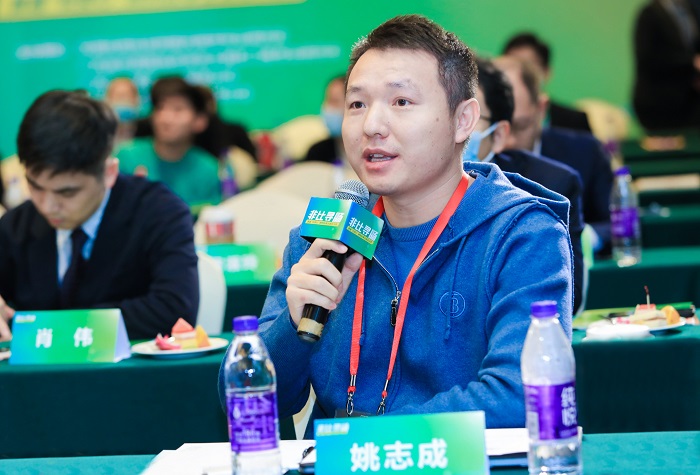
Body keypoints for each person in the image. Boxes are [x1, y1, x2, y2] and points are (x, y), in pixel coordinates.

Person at [218, 15, 573, 435]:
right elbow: (242, 399)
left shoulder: (522, 235)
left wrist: (370, 437)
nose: (371, 126)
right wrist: (290, 330)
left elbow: (522, 395)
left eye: (401, 102)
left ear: (463, 120)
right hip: (337, 460)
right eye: (357, 104)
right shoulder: (324, 239)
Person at [0, 90, 198, 341]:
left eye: (67, 192)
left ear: (108, 173)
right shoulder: (16, 225)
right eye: (35, 186)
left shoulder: (159, 212)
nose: (48, 206)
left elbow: (175, 310)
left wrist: (49, 328)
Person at [464, 58, 585, 313]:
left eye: (469, 116)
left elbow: (561, 299)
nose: (456, 126)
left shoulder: (546, 189)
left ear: (498, 135)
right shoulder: (395, 191)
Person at [494, 55, 613, 254]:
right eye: (496, 130)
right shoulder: (470, 163)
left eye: (520, 127)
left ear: (541, 110)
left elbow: (618, 223)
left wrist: (582, 237)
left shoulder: (586, 152)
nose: (507, 142)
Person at [117, 76, 221, 210]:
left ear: (200, 121)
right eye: (160, 108)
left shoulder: (208, 169)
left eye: (177, 109)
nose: (165, 118)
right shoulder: (126, 157)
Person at [502, 32, 592, 133]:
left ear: (546, 72)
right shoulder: (492, 114)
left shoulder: (575, 122)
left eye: (528, 67)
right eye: (512, 67)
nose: (519, 75)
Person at [633, 0, 700, 131]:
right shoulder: (650, 14)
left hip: (689, 100)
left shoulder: (691, 10)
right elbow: (648, 58)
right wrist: (691, 62)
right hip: (659, 102)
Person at [304, 75, 347, 164]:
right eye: (327, 100)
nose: (327, 107)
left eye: (334, 101)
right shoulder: (317, 153)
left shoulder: (370, 151)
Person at [104, 77, 141, 148]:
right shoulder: (100, 133)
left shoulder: (147, 131)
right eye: (118, 96)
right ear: (107, 100)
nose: (122, 102)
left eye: (126, 96)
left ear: (136, 100)